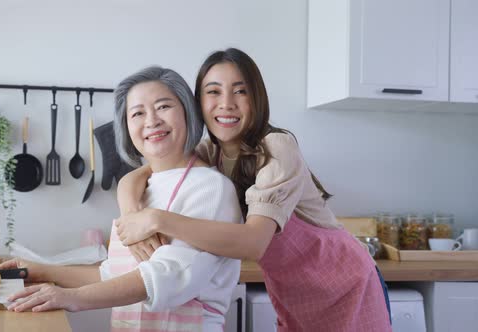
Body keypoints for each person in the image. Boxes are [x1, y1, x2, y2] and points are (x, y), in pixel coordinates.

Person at [115, 48, 392, 331]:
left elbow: (254, 243)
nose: (226, 104)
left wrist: (157, 219)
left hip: (347, 286)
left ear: (257, 98)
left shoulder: (277, 147)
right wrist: (131, 215)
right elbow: (136, 176)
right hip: (293, 294)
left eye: (240, 91)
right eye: (213, 92)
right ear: (197, 104)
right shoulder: (211, 151)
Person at [0, 66, 243, 331]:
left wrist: (70, 298)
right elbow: (114, 275)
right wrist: (42, 270)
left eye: (163, 107)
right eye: (137, 113)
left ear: (187, 112)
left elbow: (167, 278)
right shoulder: (142, 187)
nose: (151, 121)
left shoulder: (210, 188)